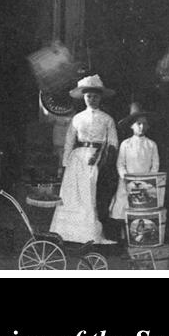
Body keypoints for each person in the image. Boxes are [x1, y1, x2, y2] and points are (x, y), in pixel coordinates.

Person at [50, 75, 119, 244]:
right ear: (84, 98)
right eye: (88, 96)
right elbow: (69, 142)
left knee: (92, 195)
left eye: (95, 96)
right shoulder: (77, 118)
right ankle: (69, 233)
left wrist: (103, 157)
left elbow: (113, 143)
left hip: (97, 159)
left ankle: (91, 234)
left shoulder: (107, 119)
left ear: (100, 97)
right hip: (78, 159)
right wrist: (65, 165)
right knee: (74, 194)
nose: (92, 99)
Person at [110, 108, 160, 223]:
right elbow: (120, 164)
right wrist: (126, 178)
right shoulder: (126, 144)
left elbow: (155, 164)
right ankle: (123, 232)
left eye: (144, 124)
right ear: (131, 126)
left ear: (148, 126)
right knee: (124, 207)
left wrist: (148, 180)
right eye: (138, 124)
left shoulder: (151, 144)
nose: (141, 127)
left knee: (142, 207)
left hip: (145, 182)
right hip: (127, 181)